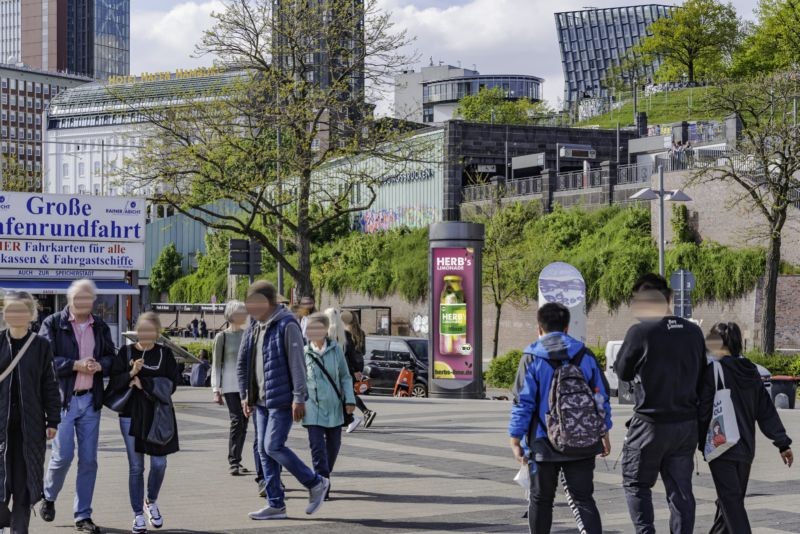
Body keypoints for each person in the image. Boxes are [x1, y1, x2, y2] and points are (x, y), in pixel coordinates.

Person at [614, 273, 707, 534]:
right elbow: (703, 376)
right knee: (681, 492)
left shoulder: (640, 332)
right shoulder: (693, 331)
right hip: (686, 425)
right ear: (669, 298)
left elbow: (622, 372)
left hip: (650, 425)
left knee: (636, 484)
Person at [508, 303, 612, 534]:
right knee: (583, 499)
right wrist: (604, 431)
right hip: (583, 439)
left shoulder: (531, 357)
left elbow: (522, 403)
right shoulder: (584, 354)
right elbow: (600, 398)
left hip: (543, 442)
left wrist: (515, 439)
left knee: (541, 500)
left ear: (539, 328)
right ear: (567, 328)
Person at [237, 281, 329, 520]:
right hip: (259, 401)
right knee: (263, 450)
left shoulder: (287, 325)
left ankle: (315, 482)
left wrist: (299, 397)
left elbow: (297, 364)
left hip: (281, 399)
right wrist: (245, 395)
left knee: (273, 446)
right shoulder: (254, 326)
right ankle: (276, 503)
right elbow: (243, 363)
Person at [699, 322, 793, 534]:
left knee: (731, 503)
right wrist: (782, 443)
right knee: (730, 502)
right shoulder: (752, 371)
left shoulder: (713, 371)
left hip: (721, 446)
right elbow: (766, 410)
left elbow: (703, 411)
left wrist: (697, 442)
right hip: (746, 448)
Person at [40, 279, 116, 534]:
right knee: (63, 456)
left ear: (93, 301)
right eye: (77, 298)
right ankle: (48, 495)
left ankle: (83, 514)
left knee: (89, 460)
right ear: (69, 299)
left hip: (90, 401)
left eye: (87, 298)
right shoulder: (52, 323)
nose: (82, 302)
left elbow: (111, 357)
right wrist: (75, 365)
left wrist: (100, 365)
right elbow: (44, 359)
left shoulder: (101, 326)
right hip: (63, 400)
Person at [106, 313, 181, 534]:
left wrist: (144, 382)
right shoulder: (126, 352)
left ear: (157, 332)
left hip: (158, 416)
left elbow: (172, 385)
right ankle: (138, 513)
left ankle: (151, 500)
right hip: (130, 414)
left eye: (151, 330)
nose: (146, 334)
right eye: (142, 329)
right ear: (136, 330)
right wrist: (131, 372)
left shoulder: (165, 354)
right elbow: (114, 384)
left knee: (159, 463)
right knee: (136, 467)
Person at [0, 292, 60, 533]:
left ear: (31, 314)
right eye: (9, 309)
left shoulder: (41, 346)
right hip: (1, 428)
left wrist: (53, 420)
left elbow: (50, 385)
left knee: (23, 488)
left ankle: (19, 530)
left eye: (20, 310)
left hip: (30, 430)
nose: (14, 315)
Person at [303, 313, 355, 500]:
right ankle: (322, 483)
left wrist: (350, 400)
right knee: (317, 449)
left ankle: (323, 475)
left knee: (333, 447)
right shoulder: (304, 353)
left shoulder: (336, 350)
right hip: (313, 409)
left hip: (334, 406)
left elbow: (345, 377)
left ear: (325, 330)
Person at [211, 300, 252, 476]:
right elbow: (216, 364)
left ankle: (237, 458)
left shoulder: (247, 334)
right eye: (242, 312)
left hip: (247, 386)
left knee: (244, 423)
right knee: (236, 420)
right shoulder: (222, 337)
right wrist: (216, 389)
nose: (245, 316)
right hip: (229, 385)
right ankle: (233, 461)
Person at [340, 310, 376, 431]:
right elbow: (364, 351)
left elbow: (346, 353)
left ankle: (364, 413)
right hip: (359, 364)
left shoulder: (345, 333)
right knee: (349, 391)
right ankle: (361, 414)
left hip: (350, 366)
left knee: (347, 392)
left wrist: (353, 369)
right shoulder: (361, 333)